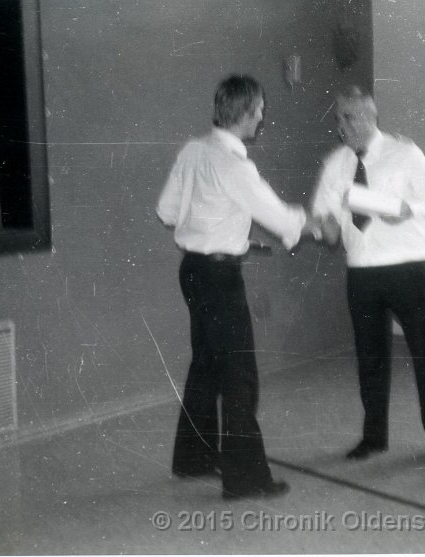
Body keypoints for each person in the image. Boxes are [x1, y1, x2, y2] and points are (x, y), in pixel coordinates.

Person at [156, 74, 313, 500]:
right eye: (259, 109)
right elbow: (281, 219)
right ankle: (245, 479)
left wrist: (214, 226)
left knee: (207, 364)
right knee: (239, 375)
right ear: (244, 113)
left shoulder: (193, 150)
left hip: (193, 270)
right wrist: (311, 223)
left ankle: (193, 459)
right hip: (220, 278)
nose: (261, 117)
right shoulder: (236, 166)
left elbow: (167, 211)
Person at [312, 85, 425, 465]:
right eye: (338, 119)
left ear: (371, 116)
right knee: (370, 358)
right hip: (361, 271)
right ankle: (373, 437)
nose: (342, 126)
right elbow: (328, 225)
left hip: (406, 266)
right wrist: (321, 226)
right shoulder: (335, 165)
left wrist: (408, 209)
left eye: (349, 117)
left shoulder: (404, 153)